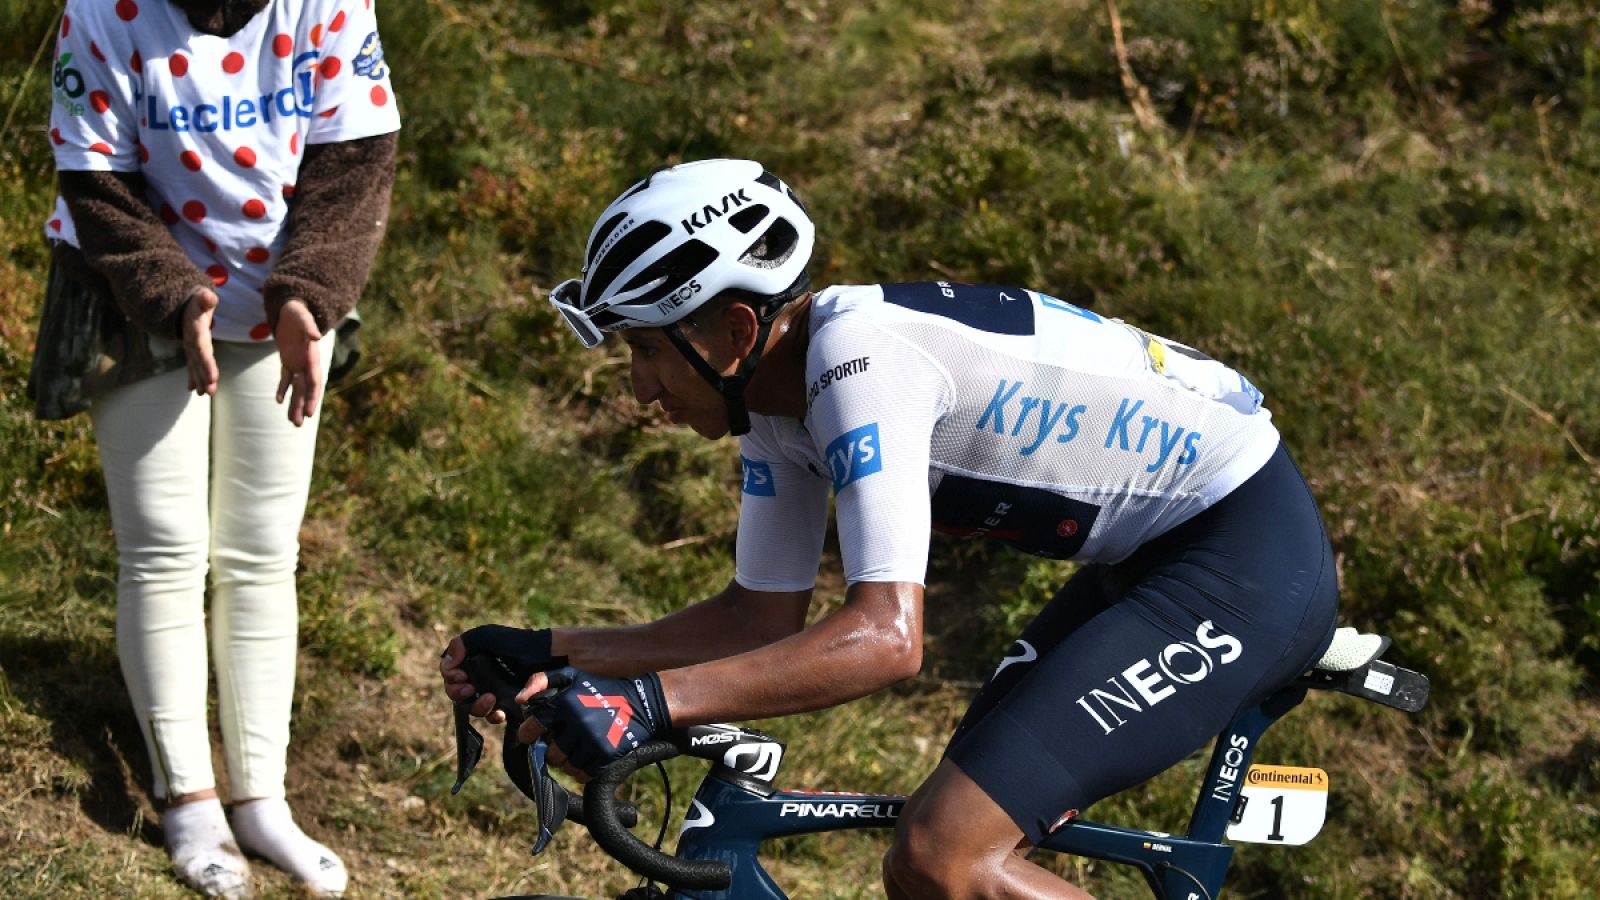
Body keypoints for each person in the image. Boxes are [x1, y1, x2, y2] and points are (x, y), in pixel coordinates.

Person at [439, 158, 1339, 898]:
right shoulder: (777, 405)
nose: (638, 388)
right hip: (1144, 564)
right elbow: (756, 620)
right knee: (937, 856)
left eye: (643, 349)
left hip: (1244, 556)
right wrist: (558, 654)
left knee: (945, 856)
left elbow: (885, 639)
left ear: (733, 328)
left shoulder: (856, 364)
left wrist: (643, 706)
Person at [40, 0, 400, 894]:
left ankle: (261, 802)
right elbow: (95, 180)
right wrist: (174, 294)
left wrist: (309, 295)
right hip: (135, 294)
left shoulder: (332, 6)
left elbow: (353, 165)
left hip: (285, 305)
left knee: (260, 554)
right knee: (164, 550)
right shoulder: (100, 11)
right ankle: (189, 800)